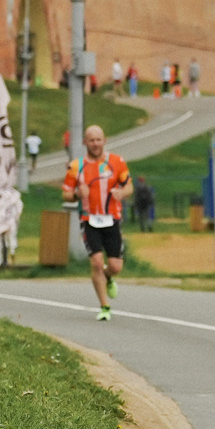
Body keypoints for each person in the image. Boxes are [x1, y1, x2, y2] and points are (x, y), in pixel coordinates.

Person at [63, 125, 132, 320]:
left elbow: (129, 186)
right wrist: (76, 194)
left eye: (98, 140)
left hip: (112, 219)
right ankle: (105, 307)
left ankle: (108, 276)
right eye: (91, 140)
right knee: (96, 262)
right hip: (89, 219)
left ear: (105, 140)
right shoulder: (76, 166)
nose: (95, 144)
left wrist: (122, 193)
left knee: (115, 266)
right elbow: (66, 193)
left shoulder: (117, 162)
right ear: (85, 142)